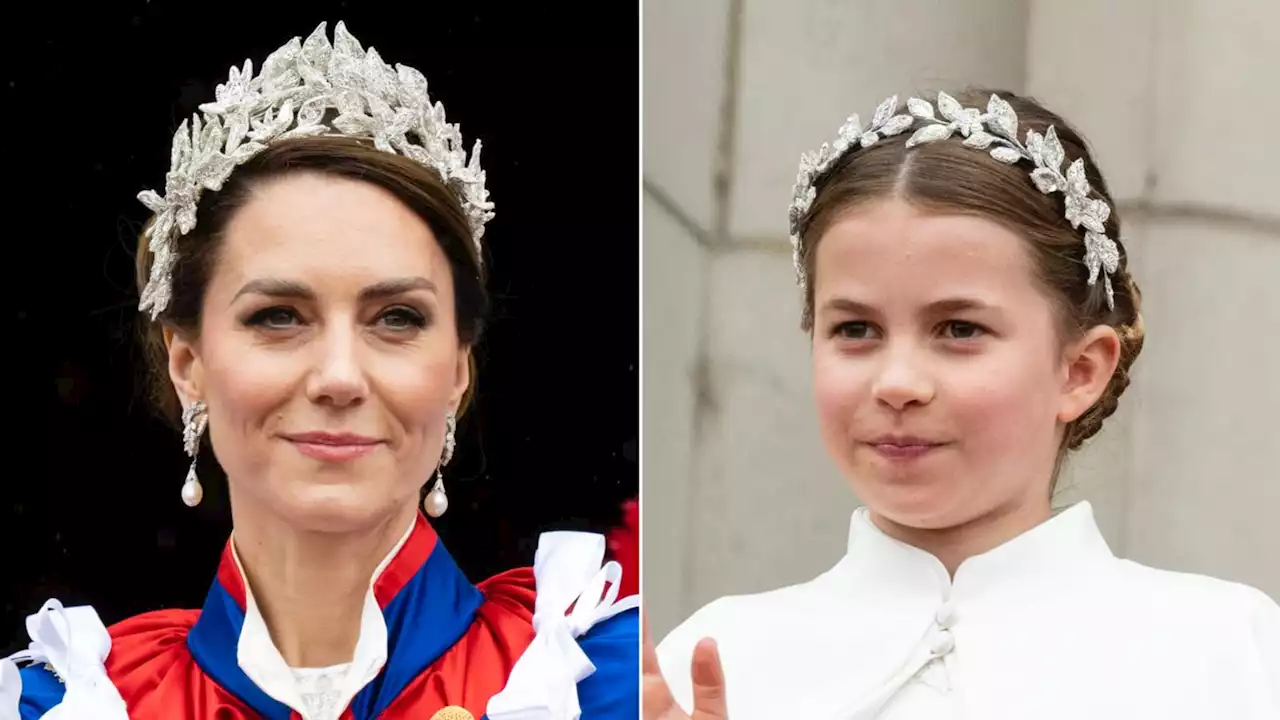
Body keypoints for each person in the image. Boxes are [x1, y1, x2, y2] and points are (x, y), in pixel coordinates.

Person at [1, 21, 638, 720]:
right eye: (278, 315)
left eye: (397, 317)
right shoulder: (63, 705)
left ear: (458, 369)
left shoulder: (606, 679)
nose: (339, 377)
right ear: (188, 363)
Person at [643, 89, 1280, 719]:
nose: (897, 383)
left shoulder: (1228, 651)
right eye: (856, 330)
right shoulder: (713, 659)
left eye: (959, 330)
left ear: (1079, 370)